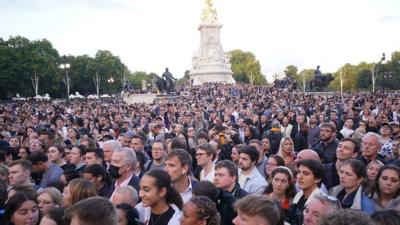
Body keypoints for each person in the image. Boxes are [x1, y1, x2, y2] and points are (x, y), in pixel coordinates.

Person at [291, 159, 324, 225]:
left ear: (317, 179)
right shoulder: (299, 195)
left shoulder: (321, 201)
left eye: (306, 174)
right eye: (299, 172)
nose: (300, 177)